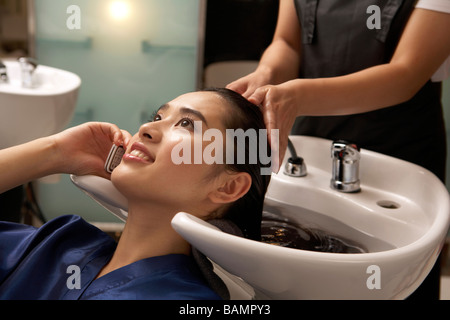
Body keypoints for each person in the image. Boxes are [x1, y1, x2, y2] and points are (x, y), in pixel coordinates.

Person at [227, 0, 449, 300]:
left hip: (398, 153)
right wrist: (267, 73)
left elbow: (405, 74)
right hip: (313, 143)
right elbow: (287, 43)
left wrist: (297, 96)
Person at [0, 88, 271, 300]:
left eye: (187, 124)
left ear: (228, 187)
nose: (146, 129)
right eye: (158, 117)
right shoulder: (61, 242)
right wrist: (54, 152)